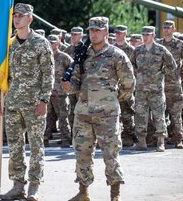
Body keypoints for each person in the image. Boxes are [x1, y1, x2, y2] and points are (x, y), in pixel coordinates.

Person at [62, 17, 135, 201]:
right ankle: (83, 192)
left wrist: (112, 101)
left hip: (107, 115)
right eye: (91, 30)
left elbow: (129, 83)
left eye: (97, 30)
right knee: (82, 153)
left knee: (110, 153)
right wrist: (68, 86)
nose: (93, 33)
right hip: (83, 114)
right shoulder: (82, 55)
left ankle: (115, 194)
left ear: (106, 32)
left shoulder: (116, 55)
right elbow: (76, 82)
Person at [0, 3, 54, 201]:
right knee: (14, 146)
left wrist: (44, 100)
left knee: (36, 146)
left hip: (34, 104)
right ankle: (17, 185)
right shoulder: (9, 44)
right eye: (15, 15)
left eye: (21, 16)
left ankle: (34, 187)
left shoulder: (40, 43)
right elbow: (3, 75)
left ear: (30, 19)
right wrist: (0, 99)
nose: (17, 18)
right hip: (13, 102)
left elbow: (49, 74)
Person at [131, 26, 177, 152]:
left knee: (159, 115)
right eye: (144, 34)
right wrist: (138, 74)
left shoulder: (161, 50)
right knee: (140, 115)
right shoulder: (138, 50)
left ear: (153, 36)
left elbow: (172, 65)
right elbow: (131, 65)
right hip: (141, 89)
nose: (145, 37)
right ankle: (141, 142)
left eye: (148, 34)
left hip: (156, 89)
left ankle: (160, 142)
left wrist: (161, 74)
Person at [158, 20, 183, 148]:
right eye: (164, 27)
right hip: (160, 84)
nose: (166, 29)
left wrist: (182, 73)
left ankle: (178, 139)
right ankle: (159, 139)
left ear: (174, 29)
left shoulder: (181, 45)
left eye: (169, 27)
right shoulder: (159, 44)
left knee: (176, 114)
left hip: (174, 85)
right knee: (159, 114)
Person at [44, 34, 72, 148]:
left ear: (58, 43)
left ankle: (66, 139)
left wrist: (66, 81)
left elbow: (73, 69)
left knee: (63, 119)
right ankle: (44, 139)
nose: (51, 44)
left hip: (61, 94)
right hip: (47, 93)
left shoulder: (63, 57)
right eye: (49, 42)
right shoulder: (44, 56)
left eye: (54, 42)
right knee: (46, 118)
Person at [113, 25, 136, 147]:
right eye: (116, 33)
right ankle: (116, 137)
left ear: (125, 34)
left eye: (120, 33)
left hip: (126, 87)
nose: (118, 35)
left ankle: (129, 136)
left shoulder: (132, 50)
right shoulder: (111, 49)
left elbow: (135, 69)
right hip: (113, 87)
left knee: (127, 113)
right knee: (113, 114)